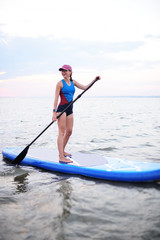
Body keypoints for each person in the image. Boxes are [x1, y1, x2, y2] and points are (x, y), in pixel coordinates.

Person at [52, 64, 100, 164]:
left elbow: (85, 87)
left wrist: (94, 81)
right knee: (61, 132)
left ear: (70, 72)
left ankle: (63, 151)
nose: (63, 72)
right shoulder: (59, 83)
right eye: (62, 71)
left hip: (70, 109)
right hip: (61, 109)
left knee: (69, 132)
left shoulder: (74, 82)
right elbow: (56, 98)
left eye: (65, 71)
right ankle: (61, 156)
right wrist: (54, 112)